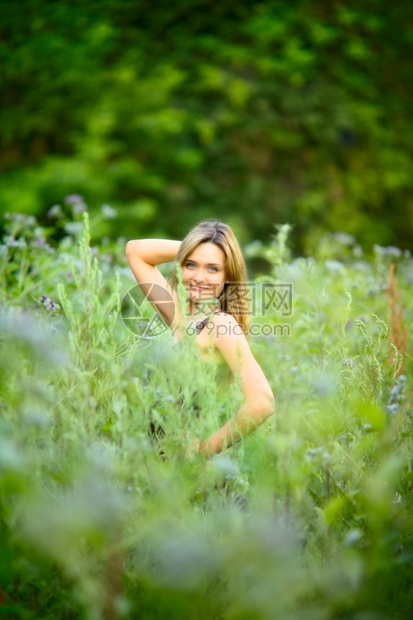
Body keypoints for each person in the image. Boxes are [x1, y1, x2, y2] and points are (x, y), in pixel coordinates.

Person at [125, 219, 275, 457]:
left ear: (228, 275)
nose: (199, 277)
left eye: (213, 269)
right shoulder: (182, 317)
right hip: (161, 469)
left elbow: (262, 402)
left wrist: (203, 451)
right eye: (191, 265)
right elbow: (136, 250)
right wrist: (201, 247)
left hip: (193, 478)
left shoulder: (221, 325)